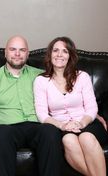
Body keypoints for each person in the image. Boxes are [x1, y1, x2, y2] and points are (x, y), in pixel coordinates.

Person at [0, 35, 63, 176]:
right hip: (8, 128)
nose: (17, 54)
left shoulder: (41, 76)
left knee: (51, 131)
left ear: (28, 53)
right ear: (5, 52)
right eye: (13, 49)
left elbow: (64, 98)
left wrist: (90, 114)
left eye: (22, 50)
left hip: (38, 126)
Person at [33, 36, 108, 176]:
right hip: (62, 126)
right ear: (50, 55)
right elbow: (42, 114)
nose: (59, 54)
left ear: (70, 56)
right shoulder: (41, 81)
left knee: (86, 137)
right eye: (55, 50)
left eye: (65, 51)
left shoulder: (82, 77)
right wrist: (63, 126)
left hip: (87, 122)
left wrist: (80, 123)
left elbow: (92, 108)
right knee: (68, 139)